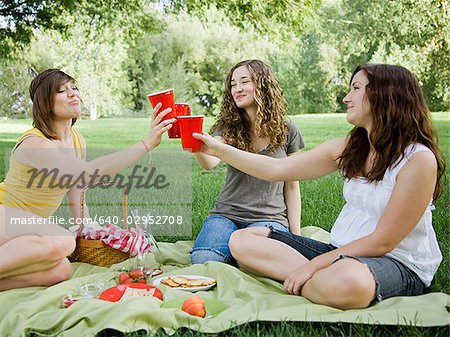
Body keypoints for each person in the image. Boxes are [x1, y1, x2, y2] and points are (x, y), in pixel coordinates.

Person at [193, 63, 445, 309]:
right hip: (340, 251)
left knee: (350, 282)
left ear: (386, 95)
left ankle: (314, 281)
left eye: (355, 88)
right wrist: (219, 150)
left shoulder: (417, 160)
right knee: (242, 240)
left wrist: (311, 266)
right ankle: (321, 283)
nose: (346, 98)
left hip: (395, 261)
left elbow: (382, 242)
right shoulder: (351, 147)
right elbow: (276, 170)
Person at [0, 69, 175, 291]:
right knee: (62, 241)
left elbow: (77, 191)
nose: (73, 94)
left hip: (26, 229)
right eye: (62, 91)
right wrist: (146, 143)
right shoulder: (35, 144)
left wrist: (88, 231)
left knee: (61, 269)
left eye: (75, 88)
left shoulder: (75, 140)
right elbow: (88, 173)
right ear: (45, 103)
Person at [190, 59, 304, 265]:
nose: (237, 89)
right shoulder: (228, 127)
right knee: (203, 260)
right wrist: (192, 142)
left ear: (262, 85)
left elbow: (293, 185)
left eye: (244, 82)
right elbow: (209, 162)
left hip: (269, 218)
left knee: (254, 262)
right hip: (226, 215)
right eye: (233, 84)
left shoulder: (287, 129)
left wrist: (295, 236)